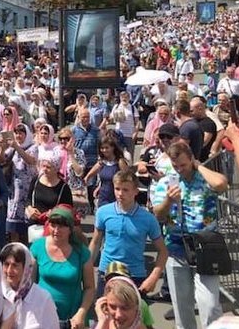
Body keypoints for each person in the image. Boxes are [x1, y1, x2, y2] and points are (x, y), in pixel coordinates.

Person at [151, 142, 229, 328]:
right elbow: (158, 214)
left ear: (191, 159)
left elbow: (221, 184)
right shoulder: (166, 182)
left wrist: (199, 166)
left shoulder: (204, 178)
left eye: (183, 165)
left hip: (206, 250)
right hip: (177, 250)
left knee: (210, 305)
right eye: (175, 165)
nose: (179, 170)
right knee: (182, 308)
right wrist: (169, 201)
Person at [88, 169, 168, 297]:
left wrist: (153, 277)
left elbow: (163, 251)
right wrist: (86, 269)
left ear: (136, 191)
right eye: (117, 189)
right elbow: (95, 242)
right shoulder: (103, 212)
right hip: (107, 272)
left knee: (134, 315)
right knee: (105, 314)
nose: (120, 194)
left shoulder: (148, 218)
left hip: (135, 275)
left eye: (125, 190)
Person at [30, 205, 95, 328]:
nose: (56, 230)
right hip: (42, 314)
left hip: (72, 318)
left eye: (61, 226)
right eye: (53, 225)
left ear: (70, 229)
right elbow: (30, 283)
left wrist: (81, 313)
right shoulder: (37, 247)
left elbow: (90, 288)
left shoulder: (82, 252)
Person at [0, 242, 59, 328]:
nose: (9, 271)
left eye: (15, 266)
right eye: (6, 264)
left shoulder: (43, 298)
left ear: (26, 268)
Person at [1, 123, 37, 242]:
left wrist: (17, 147)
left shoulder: (33, 147)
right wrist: (2, 148)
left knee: (27, 224)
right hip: (14, 190)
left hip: (27, 189)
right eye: (16, 133)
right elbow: (1, 160)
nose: (18, 135)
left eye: (21, 133)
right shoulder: (12, 149)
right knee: (13, 225)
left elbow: (30, 160)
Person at [83, 138, 128, 208]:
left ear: (113, 148)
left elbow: (128, 179)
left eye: (107, 148)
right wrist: (87, 178)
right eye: (102, 148)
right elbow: (92, 173)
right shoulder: (102, 162)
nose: (104, 150)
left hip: (116, 197)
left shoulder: (120, 162)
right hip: (103, 196)